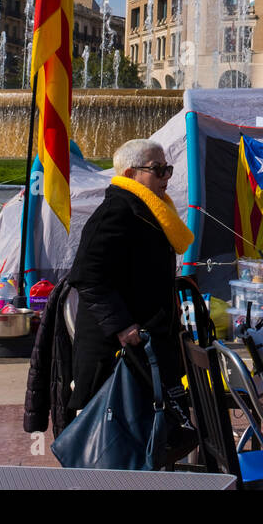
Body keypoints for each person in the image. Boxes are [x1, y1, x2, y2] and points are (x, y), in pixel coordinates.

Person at [67, 138, 197, 458]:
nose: (166, 176)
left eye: (167, 169)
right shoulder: (116, 211)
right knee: (111, 443)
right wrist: (123, 326)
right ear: (130, 173)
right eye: (158, 170)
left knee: (147, 436)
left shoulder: (147, 210)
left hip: (145, 343)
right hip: (116, 350)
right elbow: (87, 276)